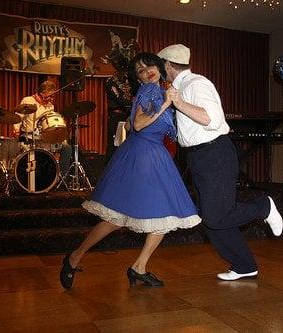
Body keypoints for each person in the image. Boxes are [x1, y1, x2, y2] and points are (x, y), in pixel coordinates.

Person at [60, 53, 201, 289]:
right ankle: (76, 256)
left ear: (159, 66)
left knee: (156, 216)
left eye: (150, 66)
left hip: (153, 155)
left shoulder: (157, 92)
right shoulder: (150, 91)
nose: (147, 72)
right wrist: (166, 104)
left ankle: (138, 267)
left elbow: (129, 123)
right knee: (122, 218)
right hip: (143, 156)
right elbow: (137, 124)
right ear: (139, 78)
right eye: (141, 71)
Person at [157, 44, 283, 281]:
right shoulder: (179, 88)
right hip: (199, 155)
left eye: (161, 66)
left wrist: (178, 103)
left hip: (214, 153)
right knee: (212, 217)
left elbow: (212, 119)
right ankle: (244, 265)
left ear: (168, 65)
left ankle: (263, 206)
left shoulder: (196, 84)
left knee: (215, 216)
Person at [13, 80, 72, 177]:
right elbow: (18, 117)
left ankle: (60, 178)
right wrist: (16, 130)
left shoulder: (50, 107)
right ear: (41, 93)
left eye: (53, 96)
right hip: (29, 136)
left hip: (44, 136)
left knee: (67, 148)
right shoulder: (28, 101)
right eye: (49, 96)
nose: (51, 99)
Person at [105, 49, 139, 162]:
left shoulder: (130, 79)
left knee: (130, 146)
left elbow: (137, 94)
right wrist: (134, 108)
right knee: (115, 146)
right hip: (117, 117)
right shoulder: (110, 81)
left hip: (130, 116)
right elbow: (119, 99)